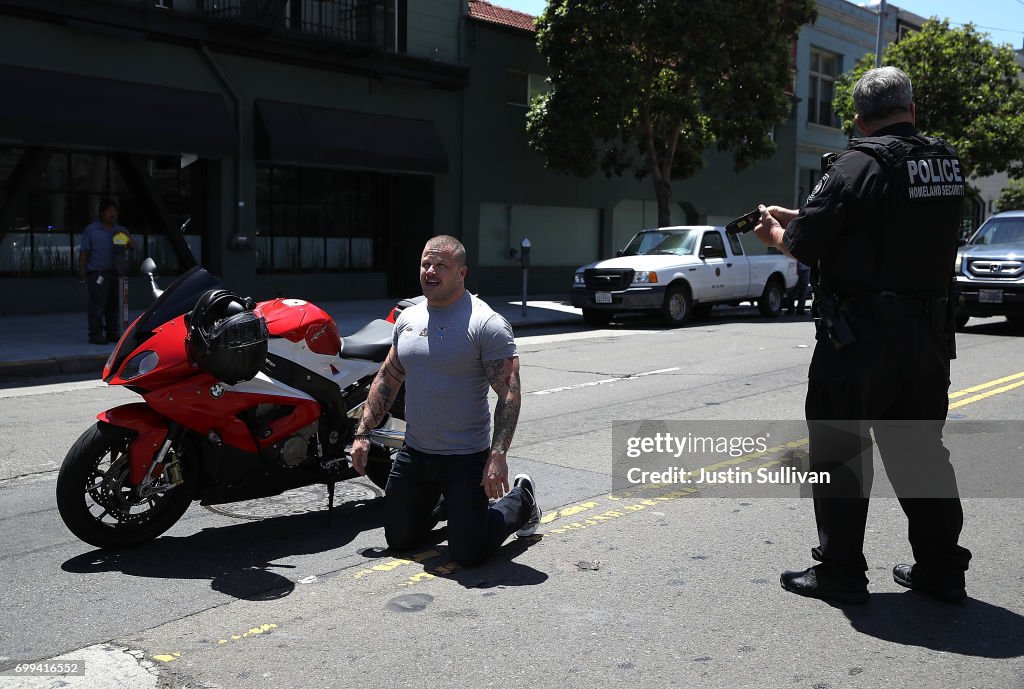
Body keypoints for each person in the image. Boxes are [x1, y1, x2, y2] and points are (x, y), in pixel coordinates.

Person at [753, 66, 971, 604]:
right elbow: (887, 225)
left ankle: (842, 572)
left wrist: (777, 232)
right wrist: (807, 216)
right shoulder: (945, 163)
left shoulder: (853, 165)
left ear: (857, 118)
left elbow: (806, 245)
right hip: (928, 337)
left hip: (860, 340)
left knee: (839, 452)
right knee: (921, 451)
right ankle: (942, 570)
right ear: (911, 112)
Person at [350, 235, 541, 567]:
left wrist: (496, 458)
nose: (431, 271)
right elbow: (388, 377)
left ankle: (522, 501)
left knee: (469, 553)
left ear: (461, 273)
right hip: (416, 453)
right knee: (400, 540)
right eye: (426, 264)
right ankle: (450, 505)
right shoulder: (409, 318)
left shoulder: (486, 324)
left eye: (441, 265)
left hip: (465, 458)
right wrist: (363, 433)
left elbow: (509, 394)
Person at [79, 199, 135, 344]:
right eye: (109, 211)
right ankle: (95, 334)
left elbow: (133, 246)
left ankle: (112, 332)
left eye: (115, 211)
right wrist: (82, 271)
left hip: (116, 273)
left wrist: (125, 236)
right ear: (102, 213)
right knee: (97, 303)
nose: (113, 214)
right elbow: (84, 252)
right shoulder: (92, 230)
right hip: (98, 273)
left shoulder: (120, 230)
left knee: (114, 305)